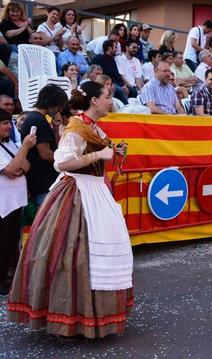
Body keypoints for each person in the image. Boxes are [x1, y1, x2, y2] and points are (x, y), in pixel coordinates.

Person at [7, 81, 134, 339]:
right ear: (95, 101)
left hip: (95, 191)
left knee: (95, 254)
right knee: (75, 254)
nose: (111, 101)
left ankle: (92, 313)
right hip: (78, 192)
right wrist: (98, 156)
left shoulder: (91, 126)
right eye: (107, 96)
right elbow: (61, 161)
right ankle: (73, 314)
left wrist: (111, 152)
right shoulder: (77, 125)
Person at [0, 109, 36, 295]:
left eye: (8, 122)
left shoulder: (11, 145)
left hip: (15, 202)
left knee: (13, 240)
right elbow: (12, 168)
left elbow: (25, 166)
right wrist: (24, 149)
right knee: (3, 242)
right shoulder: (16, 146)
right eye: (4, 123)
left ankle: (9, 278)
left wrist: (18, 162)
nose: (8, 126)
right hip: (3, 205)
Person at [20, 84, 68, 208]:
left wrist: (55, 128)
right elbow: (46, 153)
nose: (60, 110)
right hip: (44, 184)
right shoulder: (38, 120)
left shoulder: (36, 118)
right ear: (52, 102)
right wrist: (68, 162)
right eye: (59, 105)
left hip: (41, 184)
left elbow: (51, 147)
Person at [91, 39, 129, 104]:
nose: (116, 50)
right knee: (119, 90)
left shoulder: (112, 60)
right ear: (109, 48)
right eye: (115, 47)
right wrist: (110, 84)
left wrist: (123, 84)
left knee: (130, 90)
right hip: (105, 83)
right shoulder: (98, 59)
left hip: (115, 83)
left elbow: (117, 75)